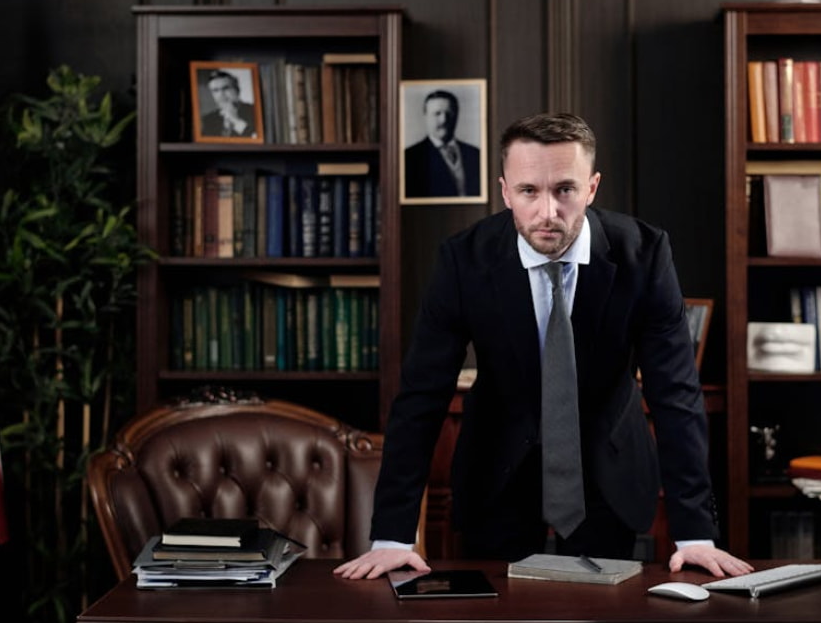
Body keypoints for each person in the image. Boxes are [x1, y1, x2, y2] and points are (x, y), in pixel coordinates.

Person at [335, 112, 754, 580]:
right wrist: (393, 534)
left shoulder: (645, 254)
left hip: (609, 475)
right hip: (496, 475)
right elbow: (421, 397)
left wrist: (695, 531)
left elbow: (676, 395)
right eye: (529, 191)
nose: (547, 212)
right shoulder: (463, 260)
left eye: (565, 190)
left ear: (592, 188)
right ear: (505, 190)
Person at [404, 89, 482, 198]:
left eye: (448, 113)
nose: (443, 119)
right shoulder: (409, 158)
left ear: (457, 115)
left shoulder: (476, 154)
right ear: (426, 116)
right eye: (437, 113)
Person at [199, 69, 258, 139]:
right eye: (215, 90)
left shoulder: (255, 111)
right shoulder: (208, 120)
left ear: (237, 90)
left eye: (225, 88)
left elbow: (257, 139)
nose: (221, 94)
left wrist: (236, 120)